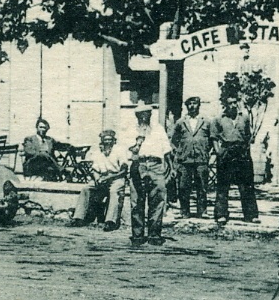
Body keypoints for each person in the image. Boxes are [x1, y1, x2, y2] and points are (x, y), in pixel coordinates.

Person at [211, 95, 258, 227]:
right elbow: (214, 137)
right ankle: (221, 214)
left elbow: (248, 136)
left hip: (241, 153)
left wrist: (246, 151)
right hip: (226, 152)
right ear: (225, 105)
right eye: (229, 103)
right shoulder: (219, 119)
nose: (232, 106)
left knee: (246, 185)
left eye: (234, 103)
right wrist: (219, 152)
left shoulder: (244, 118)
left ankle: (251, 215)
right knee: (223, 186)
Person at [128, 106, 171, 245]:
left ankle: (154, 234)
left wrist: (170, 167)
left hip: (155, 166)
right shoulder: (130, 130)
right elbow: (127, 150)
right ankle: (138, 235)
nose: (143, 118)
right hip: (138, 165)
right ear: (136, 116)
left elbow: (166, 150)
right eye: (140, 115)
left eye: (146, 115)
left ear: (150, 115)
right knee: (137, 201)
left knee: (157, 200)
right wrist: (137, 142)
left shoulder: (158, 129)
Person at [73, 129, 127, 229]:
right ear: (102, 141)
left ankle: (110, 221)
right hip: (102, 178)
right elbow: (95, 169)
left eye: (110, 140)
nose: (108, 142)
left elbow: (124, 170)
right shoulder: (98, 152)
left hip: (116, 177)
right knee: (86, 188)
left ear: (114, 140)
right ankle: (79, 218)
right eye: (105, 140)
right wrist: (97, 179)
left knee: (114, 191)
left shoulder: (119, 150)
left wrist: (110, 177)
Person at [170, 96, 212, 218]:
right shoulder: (181, 122)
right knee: (183, 187)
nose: (192, 106)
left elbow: (212, 139)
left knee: (202, 186)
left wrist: (206, 152)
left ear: (199, 105)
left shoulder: (206, 122)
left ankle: (202, 211)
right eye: (190, 104)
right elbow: (173, 141)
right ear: (186, 106)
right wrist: (179, 153)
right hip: (185, 160)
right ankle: (184, 211)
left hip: (201, 160)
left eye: (195, 103)